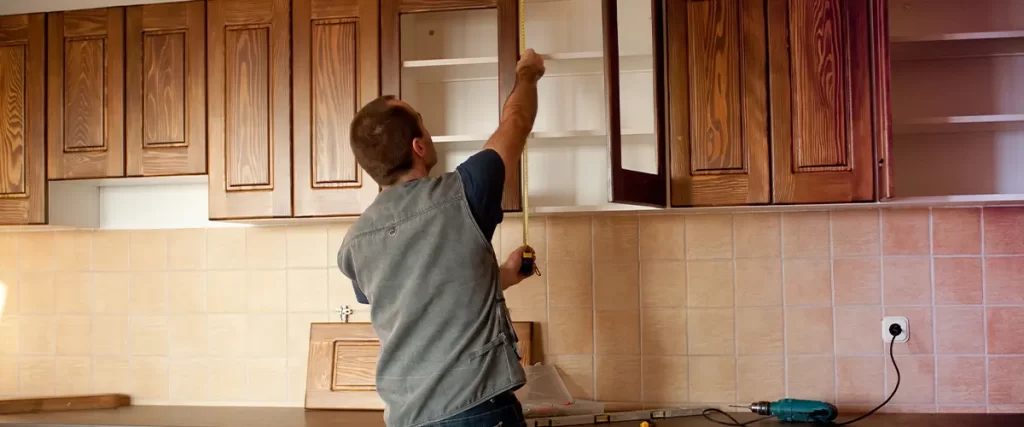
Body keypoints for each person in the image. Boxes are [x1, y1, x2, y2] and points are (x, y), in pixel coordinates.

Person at [336, 49, 547, 427]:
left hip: (408, 419)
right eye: (422, 123)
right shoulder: (465, 192)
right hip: (478, 410)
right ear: (419, 146)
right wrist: (528, 74)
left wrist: (503, 277)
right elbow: (515, 123)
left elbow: (421, 295)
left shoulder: (354, 245)